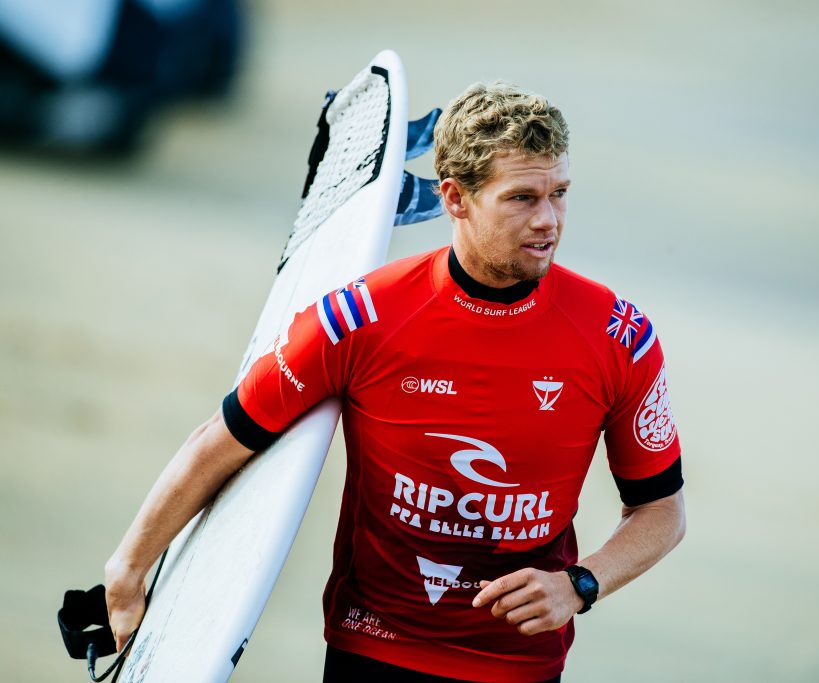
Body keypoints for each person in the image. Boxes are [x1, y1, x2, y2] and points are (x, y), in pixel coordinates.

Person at [104, 82, 686, 683]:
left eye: (559, 193)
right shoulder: (359, 320)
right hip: (373, 647)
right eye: (521, 198)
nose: (547, 219)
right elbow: (224, 440)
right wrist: (127, 573)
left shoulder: (619, 337)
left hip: (517, 665)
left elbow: (662, 509)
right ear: (455, 198)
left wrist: (580, 584)